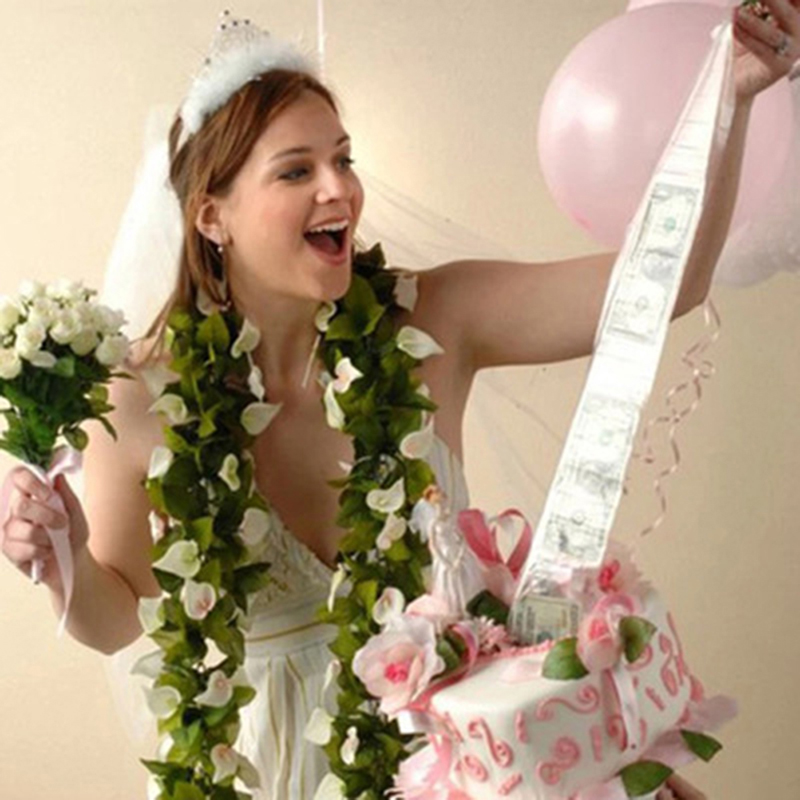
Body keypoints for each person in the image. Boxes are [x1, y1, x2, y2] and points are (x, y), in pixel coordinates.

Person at [2, 4, 798, 799]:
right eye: (296, 171)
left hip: (465, 766)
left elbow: (666, 284)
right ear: (212, 215)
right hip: (274, 775)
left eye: (343, 160)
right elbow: (116, 620)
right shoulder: (143, 397)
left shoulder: (434, 321)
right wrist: (59, 554)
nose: (339, 189)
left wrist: (730, 96)